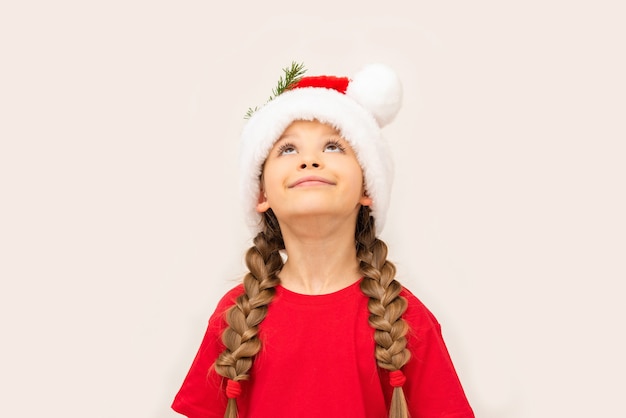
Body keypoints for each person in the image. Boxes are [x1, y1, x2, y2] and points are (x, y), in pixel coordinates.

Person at [171, 62, 474, 418]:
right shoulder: (235, 317)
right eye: (287, 149)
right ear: (260, 194)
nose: (309, 160)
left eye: (333, 146)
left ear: (367, 187)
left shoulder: (407, 321)